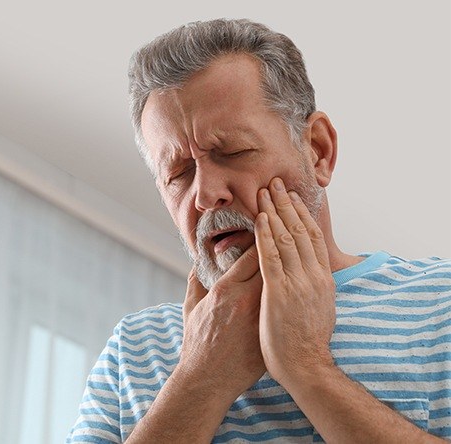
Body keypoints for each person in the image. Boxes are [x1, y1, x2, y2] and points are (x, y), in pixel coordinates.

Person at [67, 19, 451, 443]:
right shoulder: (134, 349)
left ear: (318, 151)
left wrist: (305, 366)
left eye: (232, 151)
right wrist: (201, 376)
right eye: (179, 173)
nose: (206, 194)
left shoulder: (441, 300)